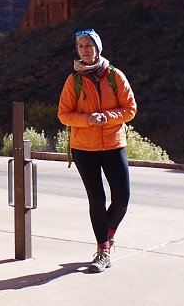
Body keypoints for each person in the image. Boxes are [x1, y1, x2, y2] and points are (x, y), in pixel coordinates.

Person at [57, 28, 137, 273]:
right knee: (97, 199)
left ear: (98, 48)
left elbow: (130, 109)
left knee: (122, 197)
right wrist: (88, 120)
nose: (85, 50)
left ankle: (108, 235)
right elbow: (64, 115)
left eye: (89, 46)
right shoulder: (74, 80)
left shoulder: (115, 76)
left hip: (113, 144)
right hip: (84, 148)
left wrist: (108, 117)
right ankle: (103, 251)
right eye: (81, 46)